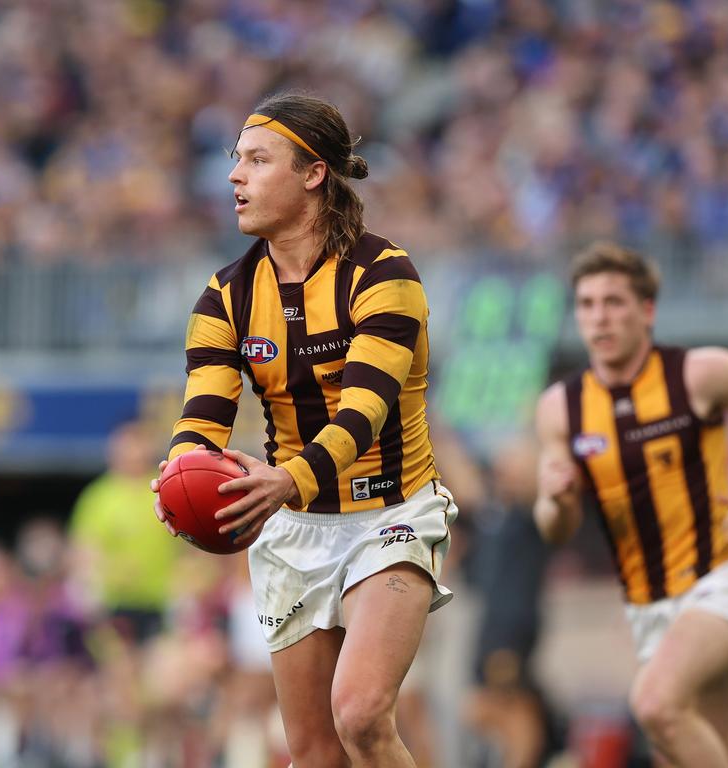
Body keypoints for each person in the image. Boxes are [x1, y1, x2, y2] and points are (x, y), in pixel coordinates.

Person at [151, 91, 458, 768]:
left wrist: (286, 479)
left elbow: (364, 410)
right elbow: (204, 412)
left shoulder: (385, 274)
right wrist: (179, 472)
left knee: (362, 714)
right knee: (313, 754)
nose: (234, 175)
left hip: (391, 513)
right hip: (293, 533)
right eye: (236, 161)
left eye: (257, 160)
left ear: (313, 172)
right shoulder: (223, 296)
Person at [533, 240, 728, 767]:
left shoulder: (698, 373)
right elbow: (553, 529)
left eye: (614, 302)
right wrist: (557, 501)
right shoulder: (561, 408)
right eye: (587, 304)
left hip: (726, 574)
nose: (599, 317)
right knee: (722, 732)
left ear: (647, 310)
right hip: (647, 602)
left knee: (656, 704)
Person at [71, 420, 182, 644]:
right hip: (115, 604)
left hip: (162, 601)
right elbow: (84, 552)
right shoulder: (98, 496)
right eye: (127, 442)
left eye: (139, 441)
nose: (134, 450)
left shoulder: (166, 487)